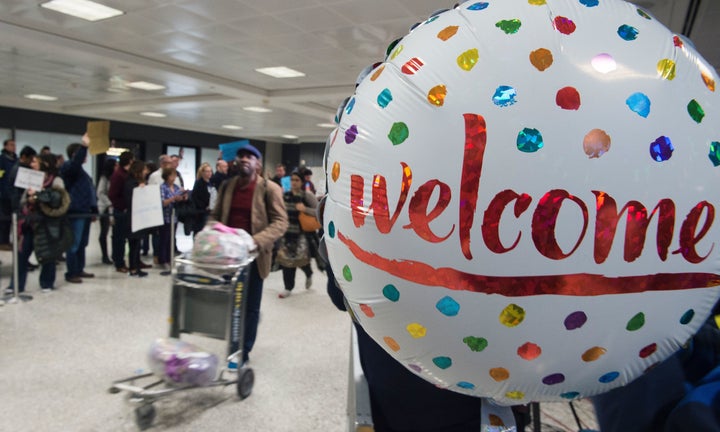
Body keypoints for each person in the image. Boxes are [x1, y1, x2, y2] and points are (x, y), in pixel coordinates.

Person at [210, 144, 288, 365]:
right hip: (229, 256)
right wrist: (211, 232)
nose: (244, 159)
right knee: (232, 302)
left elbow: (280, 222)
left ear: (258, 164)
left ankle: (243, 350)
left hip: (254, 256)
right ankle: (236, 337)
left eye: (250, 157)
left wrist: (255, 241)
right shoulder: (227, 187)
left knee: (250, 306)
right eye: (241, 156)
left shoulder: (269, 189)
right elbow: (215, 215)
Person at [5, 154, 66, 294]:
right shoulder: (32, 179)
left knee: (47, 254)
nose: (32, 164)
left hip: (47, 225)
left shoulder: (56, 181)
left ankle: (47, 282)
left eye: (34, 161)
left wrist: (39, 196)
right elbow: (22, 201)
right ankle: (16, 285)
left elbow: (58, 200)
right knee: (21, 255)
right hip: (29, 223)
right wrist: (29, 198)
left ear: (44, 163)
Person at [60, 136, 97, 284]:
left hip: (85, 211)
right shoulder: (69, 168)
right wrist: (84, 146)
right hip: (75, 211)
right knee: (73, 244)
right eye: (82, 153)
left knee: (82, 243)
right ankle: (71, 272)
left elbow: (90, 191)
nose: (86, 156)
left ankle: (79, 268)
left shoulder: (82, 172)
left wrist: (93, 210)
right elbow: (75, 164)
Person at [277, 171, 317, 298]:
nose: (294, 182)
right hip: (286, 234)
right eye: (292, 180)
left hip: (302, 236)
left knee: (301, 260)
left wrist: (305, 209)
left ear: (302, 182)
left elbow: (318, 212)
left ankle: (308, 272)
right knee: (286, 262)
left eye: (297, 180)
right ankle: (288, 287)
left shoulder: (307, 196)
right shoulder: (285, 195)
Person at [108, 150, 134, 273]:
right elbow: (113, 194)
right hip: (121, 211)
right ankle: (119, 262)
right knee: (119, 238)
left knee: (122, 237)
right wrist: (122, 207)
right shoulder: (119, 175)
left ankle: (120, 261)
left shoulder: (125, 174)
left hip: (126, 210)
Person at [158, 167, 187, 272]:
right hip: (165, 217)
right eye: (171, 175)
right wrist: (173, 198)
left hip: (174, 217)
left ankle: (170, 259)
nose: (173, 178)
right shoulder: (163, 187)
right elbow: (163, 202)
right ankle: (163, 259)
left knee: (171, 238)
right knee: (164, 239)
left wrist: (182, 197)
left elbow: (179, 198)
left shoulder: (175, 187)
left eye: (174, 176)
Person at [124, 160, 150, 277]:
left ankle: (136, 266)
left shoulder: (135, 182)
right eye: (144, 169)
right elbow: (131, 200)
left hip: (139, 217)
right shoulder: (131, 183)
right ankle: (133, 268)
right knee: (133, 244)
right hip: (133, 217)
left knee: (137, 244)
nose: (146, 172)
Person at [96, 158, 116, 265]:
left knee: (114, 232)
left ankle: (114, 254)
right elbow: (100, 193)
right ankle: (104, 255)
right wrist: (109, 203)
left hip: (113, 207)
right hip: (105, 208)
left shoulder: (114, 177)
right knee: (104, 232)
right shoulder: (104, 178)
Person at [190, 162, 216, 237]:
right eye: (207, 171)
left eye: (210, 171)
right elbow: (195, 197)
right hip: (200, 211)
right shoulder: (199, 183)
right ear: (203, 172)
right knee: (199, 230)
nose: (209, 173)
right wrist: (204, 206)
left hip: (209, 210)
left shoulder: (211, 183)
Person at [0, 138, 17, 248]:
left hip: (14, 194)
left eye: (14, 145)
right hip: (4, 193)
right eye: (11, 145)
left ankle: (8, 240)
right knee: (3, 219)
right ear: (5, 146)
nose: (13, 147)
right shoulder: (2, 160)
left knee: (12, 220)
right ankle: (2, 241)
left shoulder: (16, 160)